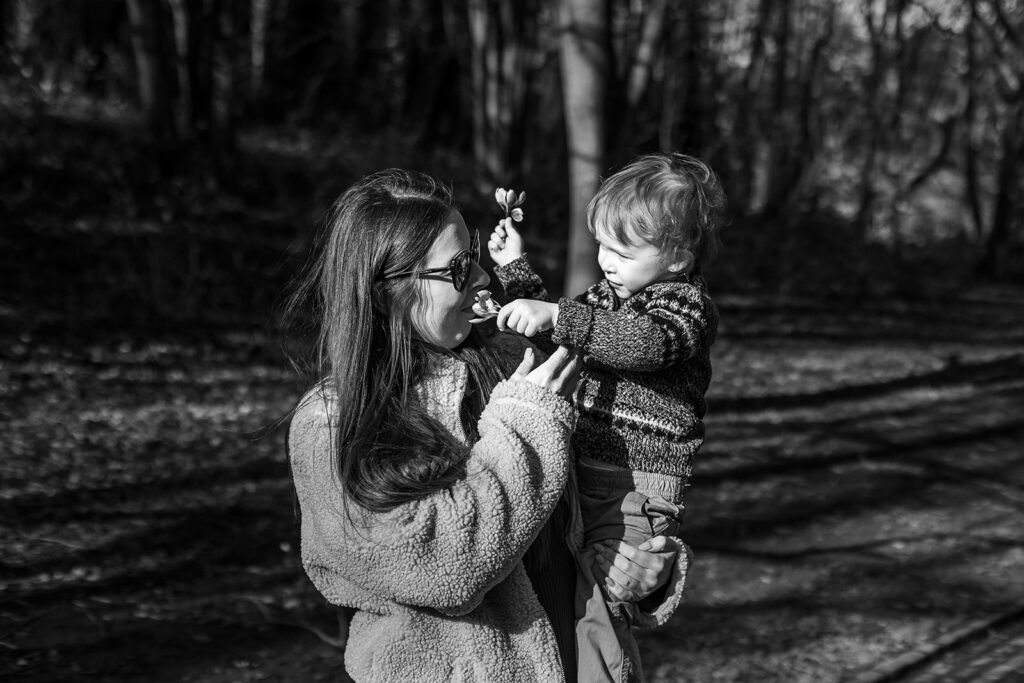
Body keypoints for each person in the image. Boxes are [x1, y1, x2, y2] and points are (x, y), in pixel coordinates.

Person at [284, 168, 689, 682]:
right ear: (388, 293)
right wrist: (525, 424)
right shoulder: (333, 423)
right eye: (457, 269)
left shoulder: (512, 363)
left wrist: (641, 570)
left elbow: (591, 514)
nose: (480, 278)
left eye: (474, 256)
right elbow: (438, 568)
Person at [487, 152, 725, 682]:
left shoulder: (684, 310)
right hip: (583, 474)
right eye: (601, 246)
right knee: (572, 595)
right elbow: (562, 331)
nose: (606, 262)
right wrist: (515, 274)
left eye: (623, 251)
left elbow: (642, 345)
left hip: (636, 491)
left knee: (601, 602)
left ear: (679, 258)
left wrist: (563, 315)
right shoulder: (609, 297)